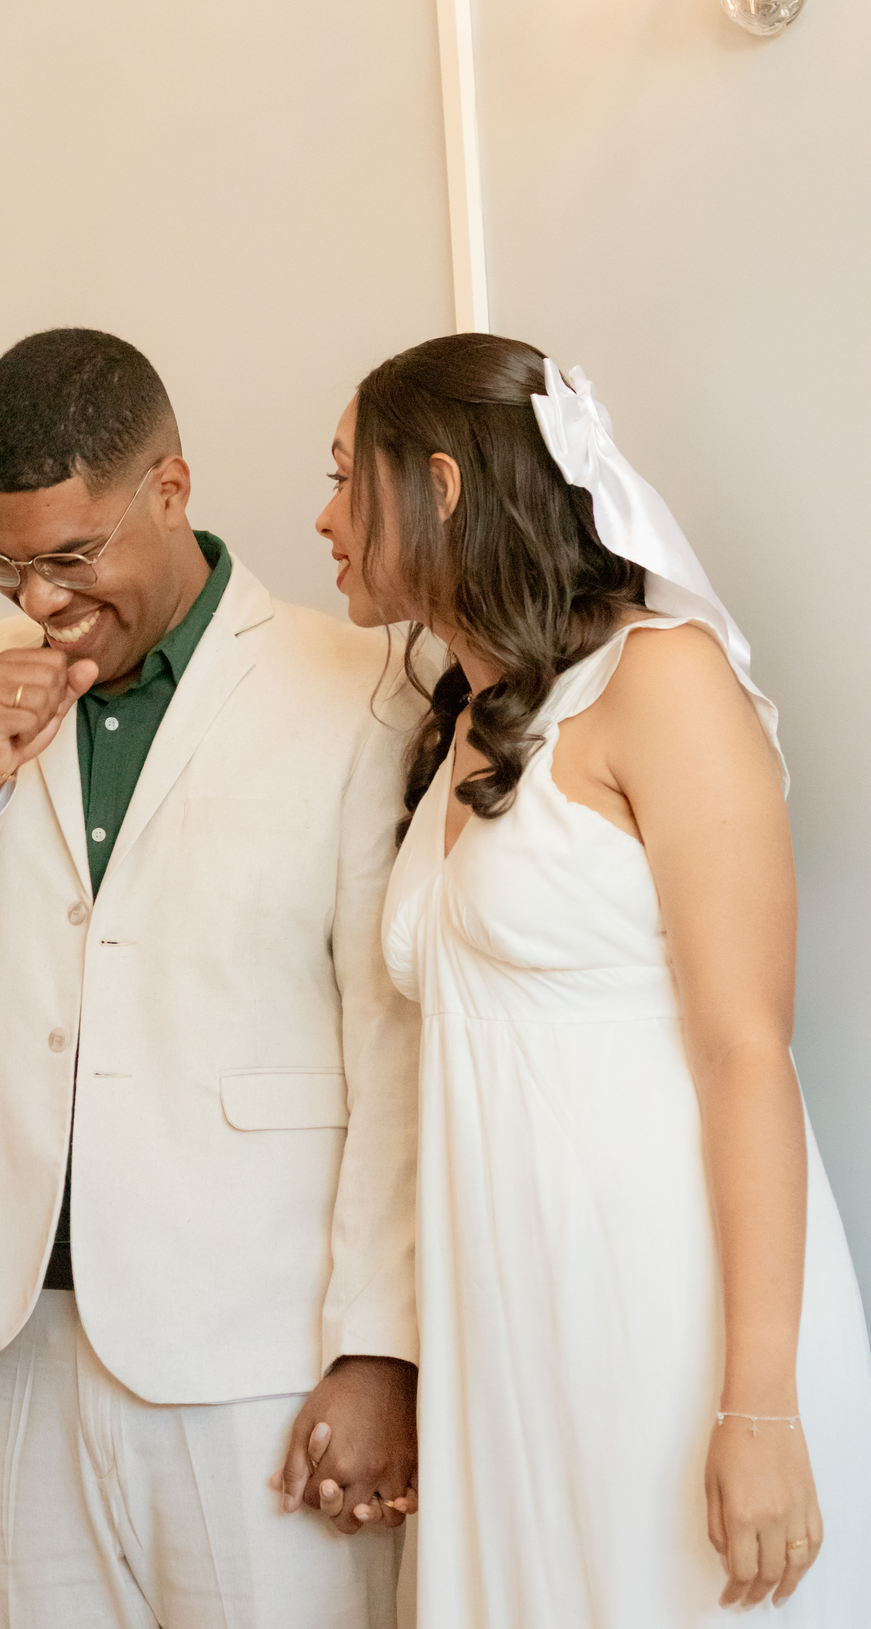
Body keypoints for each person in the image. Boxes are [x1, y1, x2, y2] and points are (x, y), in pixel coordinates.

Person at [0, 328, 424, 1629]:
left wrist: (380, 1350)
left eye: (71, 556)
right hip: (16, 1341)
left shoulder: (353, 685)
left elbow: (393, 1048)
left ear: (170, 490)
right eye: (8, 562)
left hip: (258, 1350)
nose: (39, 599)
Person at [315, 331, 871, 1627]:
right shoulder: (459, 728)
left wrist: (759, 1405)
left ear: (440, 485)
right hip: (506, 1335)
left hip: (667, 1325)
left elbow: (748, 1051)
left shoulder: (662, 680)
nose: (325, 518)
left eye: (345, 478)